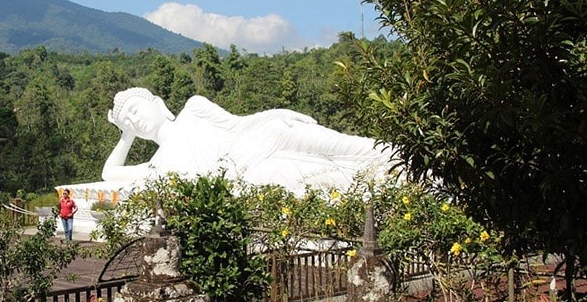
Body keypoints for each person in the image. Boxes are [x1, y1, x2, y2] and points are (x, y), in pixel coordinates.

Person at [102, 87, 395, 193]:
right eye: (128, 120)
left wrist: (278, 112)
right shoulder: (158, 165)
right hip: (244, 171)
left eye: (136, 110)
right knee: (321, 173)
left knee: (336, 144)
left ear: (158, 102)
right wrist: (125, 136)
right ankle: (391, 178)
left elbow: (239, 123)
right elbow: (109, 174)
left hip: (259, 138)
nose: (134, 119)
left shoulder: (193, 108)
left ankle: (395, 155)